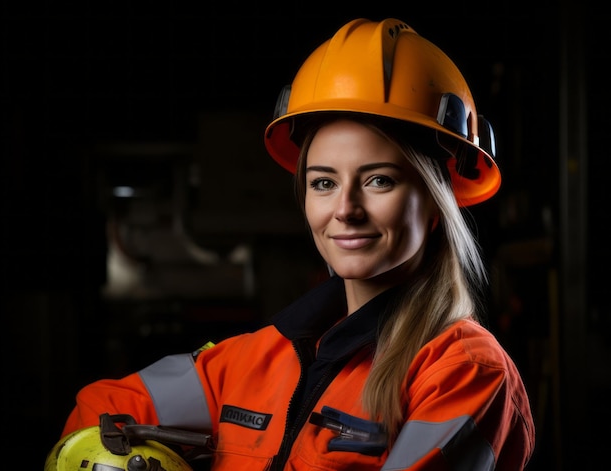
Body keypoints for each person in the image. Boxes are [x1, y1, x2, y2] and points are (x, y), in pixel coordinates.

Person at [49, 17, 535, 470]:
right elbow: (99, 411)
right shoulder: (258, 360)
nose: (345, 208)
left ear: (435, 203)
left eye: (380, 180)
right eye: (324, 183)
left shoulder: (465, 373)